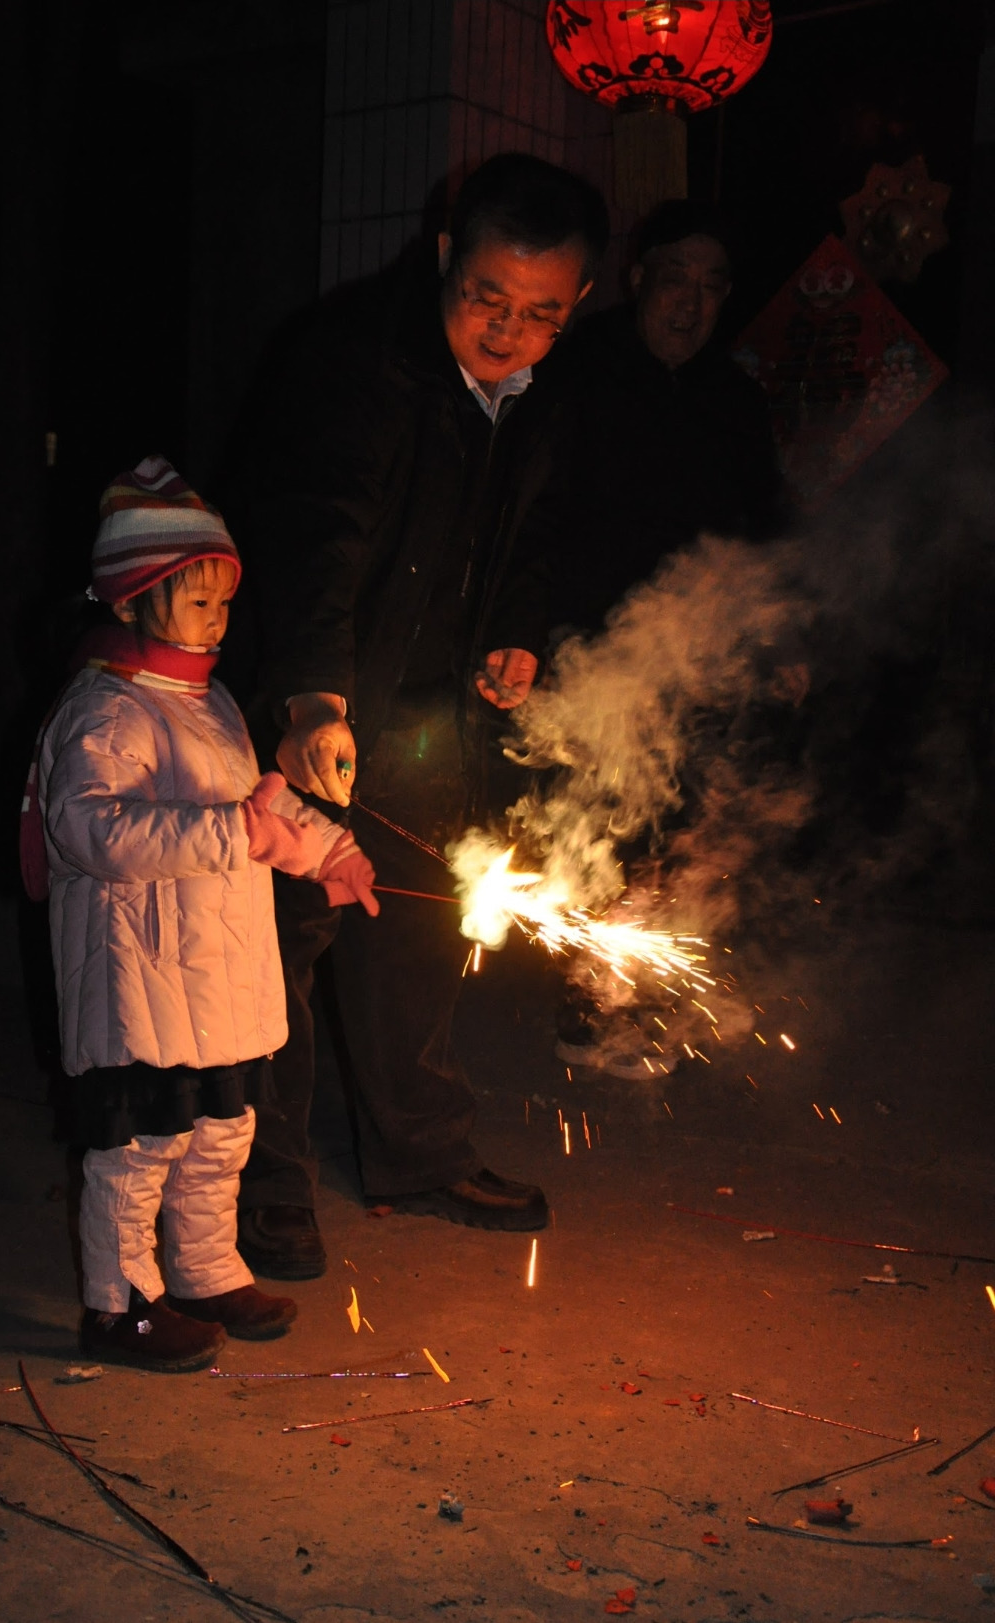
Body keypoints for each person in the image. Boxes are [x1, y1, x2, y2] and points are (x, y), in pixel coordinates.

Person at [224, 154, 611, 1278]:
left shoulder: (549, 389)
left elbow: (534, 540)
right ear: (445, 253)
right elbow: (316, 529)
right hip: (324, 696)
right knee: (283, 948)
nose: (508, 332)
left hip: (437, 711)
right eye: (488, 298)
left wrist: (519, 636)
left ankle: (419, 1152)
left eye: (541, 314)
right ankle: (265, 1180)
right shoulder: (355, 357)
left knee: (424, 928)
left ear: (576, 303)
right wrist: (309, 697)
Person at [22, 456, 375, 1371]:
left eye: (224, 599)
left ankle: (207, 1268)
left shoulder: (211, 699)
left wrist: (329, 852)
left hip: (217, 981)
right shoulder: (106, 708)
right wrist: (231, 835)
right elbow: (88, 831)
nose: (218, 618)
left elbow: (258, 804)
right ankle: (120, 1302)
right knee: (141, 1149)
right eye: (196, 599)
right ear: (136, 601)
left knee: (222, 1135)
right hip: (138, 984)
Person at [540, 198, 785, 635]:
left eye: (709, 287)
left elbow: (764, 524)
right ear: (638, 280)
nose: (690, 304)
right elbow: (536, 517)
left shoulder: (738, 399)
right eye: (675, 280)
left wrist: (778, 633)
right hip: (580, 640)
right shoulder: (575, 370)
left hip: (698, 647)